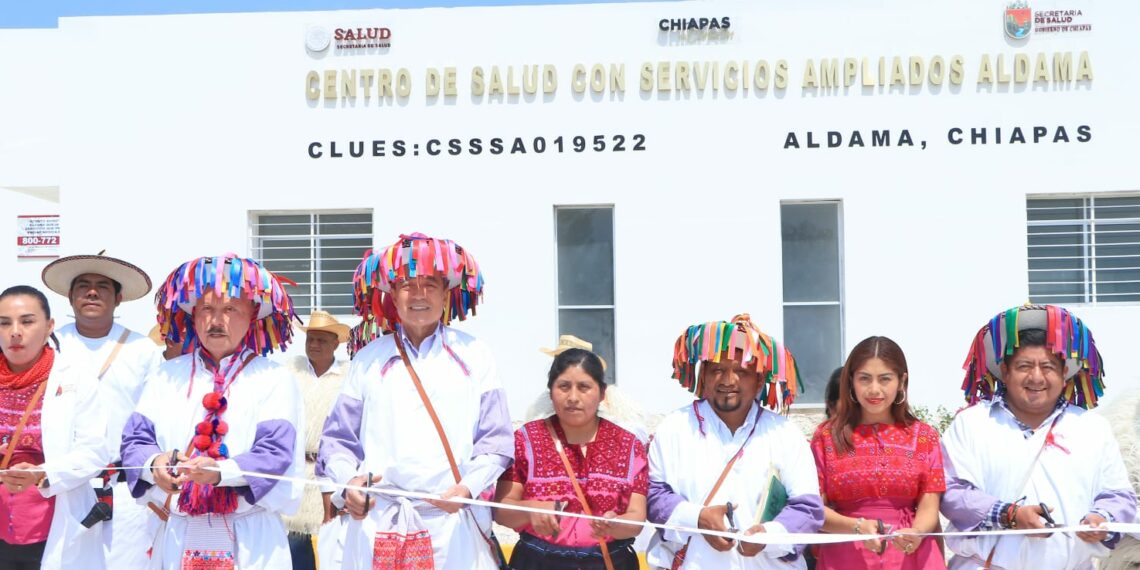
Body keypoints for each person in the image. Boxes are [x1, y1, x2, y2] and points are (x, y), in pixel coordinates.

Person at [318, 232, 512, 569]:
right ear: (392, 293)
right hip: (378, 520)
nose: (418, 295)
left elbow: (496, 441)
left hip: (453, 525)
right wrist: (349, 483)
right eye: (407, 285)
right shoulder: (367, 359)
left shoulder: (474, 355)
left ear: (446, 293)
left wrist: (468, 488)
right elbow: (337, 440)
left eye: (430, 285)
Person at [120, 253, 305, 569]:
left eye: (230, 309)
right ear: (193, 316)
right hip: (178, 529)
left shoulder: (273, 378)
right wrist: (155, 464)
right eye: (207, 309)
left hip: (249, 534)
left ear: (252, 316)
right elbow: (135, 441)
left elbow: (275, 452)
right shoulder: (165, 374)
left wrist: (222, 473)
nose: (216, 320)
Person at [941, 304, 1137, 569]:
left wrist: (1101, 519)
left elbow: (1118, 494)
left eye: (1047, 367)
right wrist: (1010, 515)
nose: (1036, 377)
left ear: (1064, 373)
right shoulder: (973, 423)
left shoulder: (1092, 427)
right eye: (1024, 366)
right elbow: (952, 492)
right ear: (1005, 371)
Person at [647, 314, 824, 569]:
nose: (728, 381)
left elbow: (808, 509)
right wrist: (698, 518)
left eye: (741, 371)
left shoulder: (786, 435)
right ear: (704, 375)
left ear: (760, 380)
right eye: (718, 369)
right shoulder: (674, 428)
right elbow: (653, 497)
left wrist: (768, 536)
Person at [41, 252, 161, 567]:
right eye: (83, 285)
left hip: (124, 491)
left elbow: (156, 421)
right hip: (62, 489)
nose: (92, 292)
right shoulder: (50, 346)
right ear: (70, 296)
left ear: (118, 298)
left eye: (103, 287)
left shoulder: (143, 350)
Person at [495, 348, 646, 569]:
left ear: (602, 393)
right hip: (537, 562)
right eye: (564, 386)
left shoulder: (629, 446)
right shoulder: (525, 440)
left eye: (584, 387)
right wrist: (531, 509)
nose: (573, 397)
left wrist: (614, 525)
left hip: (608, 561)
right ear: (550, 392)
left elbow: (636, 518)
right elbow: (501, 511)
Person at [810, 336, 946, 569]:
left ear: (902, 381)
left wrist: (917, 532)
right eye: (864, 378)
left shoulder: (925, 436)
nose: (874, 389)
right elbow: (812, 508)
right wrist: (856, 527)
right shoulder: (826, 437)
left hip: (912, 555)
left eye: (885, 379)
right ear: (851, 380)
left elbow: (929, 505)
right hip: (846, 555)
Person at [0, 285, 109, 569]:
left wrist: (43, 473)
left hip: (53, 525)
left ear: (49, 326)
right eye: (4, 323)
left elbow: (95, 451)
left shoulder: (75, 377)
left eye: (27, 321)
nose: (14, 332)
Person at [284, 310, 351, 570]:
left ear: (336, 343)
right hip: (295, 470)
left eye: (322, 340)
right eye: (310, 338)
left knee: (331, 546)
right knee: (294, 549)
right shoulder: (291, 370)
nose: (314, 344)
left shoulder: (348, 376)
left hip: (332, 471)